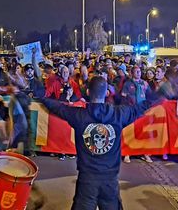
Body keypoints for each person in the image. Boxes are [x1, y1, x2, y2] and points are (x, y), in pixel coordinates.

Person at [39, 76, 164, 210]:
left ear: (87, 92)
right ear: (106, 93)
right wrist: (163, 93)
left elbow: (57, 107)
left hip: (87, 178)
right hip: (110, 178)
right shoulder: (119, 114)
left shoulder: (78, 115)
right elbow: (143, 106)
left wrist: (40, 96)